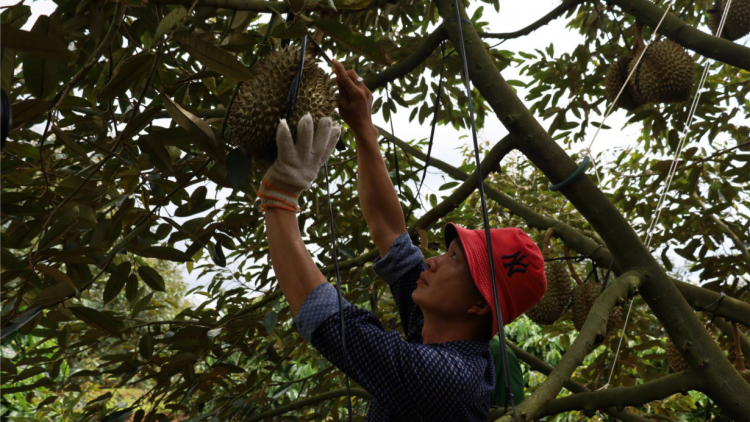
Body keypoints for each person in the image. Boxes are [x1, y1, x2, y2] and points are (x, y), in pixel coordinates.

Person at [259, 59, 547, 421]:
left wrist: (281, 199)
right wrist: (364, 129)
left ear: (477, 305)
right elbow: (390, 233)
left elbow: (328, 318)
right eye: (447, 252)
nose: (432, 260)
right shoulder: (439, 331)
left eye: (454, 260)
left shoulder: (450, 378)